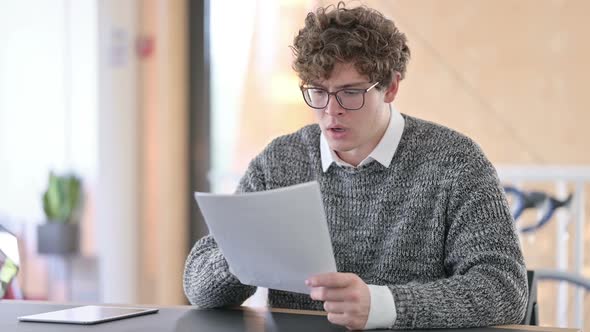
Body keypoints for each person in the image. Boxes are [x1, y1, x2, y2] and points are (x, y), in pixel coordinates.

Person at [184, 2, 528, 330]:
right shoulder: (279, 161)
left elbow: (504, 289)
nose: (331, 110)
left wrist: (383, 305)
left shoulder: (456, 161)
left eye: (350, 93)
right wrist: (243, 254)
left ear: (391, 87)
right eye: (318, 91)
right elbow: (198, 287)